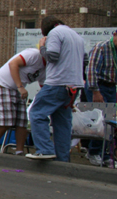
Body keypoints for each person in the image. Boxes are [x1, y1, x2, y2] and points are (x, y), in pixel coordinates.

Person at [26, 17, 86, 161]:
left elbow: (52, 56)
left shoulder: (55, 33)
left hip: (57, 83)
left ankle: (45, 150)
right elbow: (85, 59)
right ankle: (62, 159)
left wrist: (42, 47)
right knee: (62, 123)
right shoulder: (76, 36)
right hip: (73, 86)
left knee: (36, 113)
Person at [0, 48, 46, 156]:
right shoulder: (34, 54)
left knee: (22, 122)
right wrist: (20, 87)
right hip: (3, 84)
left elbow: (44, 86)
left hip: (18, 89)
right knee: (7, 119)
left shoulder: (47, 68)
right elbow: (13, 64)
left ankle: (19, 151)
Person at [83, 29, 117, 165]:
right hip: (98, 86)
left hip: (111, 86)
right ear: (114, 35)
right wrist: (96, 91)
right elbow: (91, 70)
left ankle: (105, 153)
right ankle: (93, 152)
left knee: (111, 121)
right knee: (100, 119)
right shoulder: (101, 47)